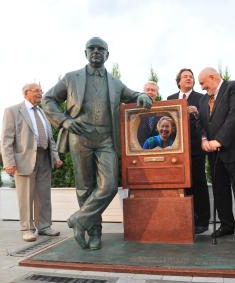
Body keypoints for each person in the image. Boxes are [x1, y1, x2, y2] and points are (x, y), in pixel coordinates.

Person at [42, 37, 152, 250]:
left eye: (101, 49)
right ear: (85, 53)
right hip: (80, 136)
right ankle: (95, 233)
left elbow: (132, 95)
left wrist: (142, 95)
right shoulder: (71, 78)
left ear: (107, 55)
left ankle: (79, 219)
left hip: (106, 139)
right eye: (92, 48)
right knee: (84, 187)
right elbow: (48, 99)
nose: (96, 52)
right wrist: (64, 120)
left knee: (109, 186)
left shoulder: (115, 83)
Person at [197, 67, 235, 241]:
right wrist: (204, 139)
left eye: (204, 84)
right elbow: (201, 122)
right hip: (214, 154)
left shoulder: (234, 87)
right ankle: (226, 225)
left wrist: (219, 140)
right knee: (220, 190)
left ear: (213, 77)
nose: (202, 89)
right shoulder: (203, 99)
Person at [1, 83, 63, 242]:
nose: (40, 94)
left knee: (44, 195)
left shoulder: (42, 112)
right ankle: (27, 229)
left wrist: (55, 156)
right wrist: (9, 161)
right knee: (26, 196)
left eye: (41, 91)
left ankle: (44, 226)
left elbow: (51, 138)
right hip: (24, 161)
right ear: (26, 93)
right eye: (37, 91)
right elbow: (6, 139)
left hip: (44, 158)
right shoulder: (13, 111)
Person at [167, 68, 210, 235]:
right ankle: (185, 219)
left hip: (195, 148)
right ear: (178, 81)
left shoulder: (201, 98)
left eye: (191, 77)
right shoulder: (170, 99)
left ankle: (202, 220)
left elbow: (206, 121)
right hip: (176, 149)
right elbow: (166, 120)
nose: (189, 79)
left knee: (198, 182)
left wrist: (196, 113)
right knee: (181, 184)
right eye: (185, 76)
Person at [137, 81, 162, 146]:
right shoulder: (135, 110)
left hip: (158, 149)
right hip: (139, 149)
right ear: (143, 93)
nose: (150, 92)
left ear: (157, 94)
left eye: (153, 90)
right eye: (147, 90)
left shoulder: (163, 111)